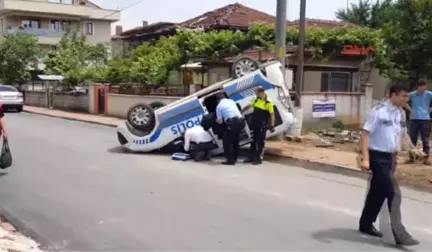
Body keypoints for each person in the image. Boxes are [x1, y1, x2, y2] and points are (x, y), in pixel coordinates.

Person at [359, 83, 419, 246]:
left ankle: (365, 224)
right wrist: (365, 159)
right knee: (393, 192)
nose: (406, 99)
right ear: (392, 95)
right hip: (377, 157)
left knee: (377, 192)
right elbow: (365, 134)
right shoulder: (379, 111)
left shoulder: (400, 113)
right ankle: (399, 234)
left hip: (390, 158)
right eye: (403, 96)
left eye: (406, 96)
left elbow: (401, 133)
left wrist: (408, 149)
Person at [241, 87, 275, 165]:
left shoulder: (268, 102)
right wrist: (241, 111)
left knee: (260, 142)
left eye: (256, 93)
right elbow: (249, 105)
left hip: (262, 125)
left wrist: (272, 125)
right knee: (253, 141)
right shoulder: (256, 99)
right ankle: (251, 157)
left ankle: (259, 159)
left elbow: (272, 114)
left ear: (261, 92)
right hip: (255, 124)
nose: (256, 94)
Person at [405, 79, 432, 165]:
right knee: (412, 139)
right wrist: (410, 109)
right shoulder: (412, 94)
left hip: (425, 119)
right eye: (422, 88)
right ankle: (412, 158)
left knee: (425, 139)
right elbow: (404, 100)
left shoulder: (429, 94)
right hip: (414, 119)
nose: (423, 90)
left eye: (425, 88)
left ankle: (426, 158)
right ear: (418, 87)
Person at [215, 92, 245, 165]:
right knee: (235, 141)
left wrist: (216, 120)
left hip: (232, 123)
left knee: (227, 142)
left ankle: (230, 160)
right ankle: (235, 158)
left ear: (217, 100)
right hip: (241, 122)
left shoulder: (219, 106)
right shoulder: (231, 101)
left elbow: (220, 121)